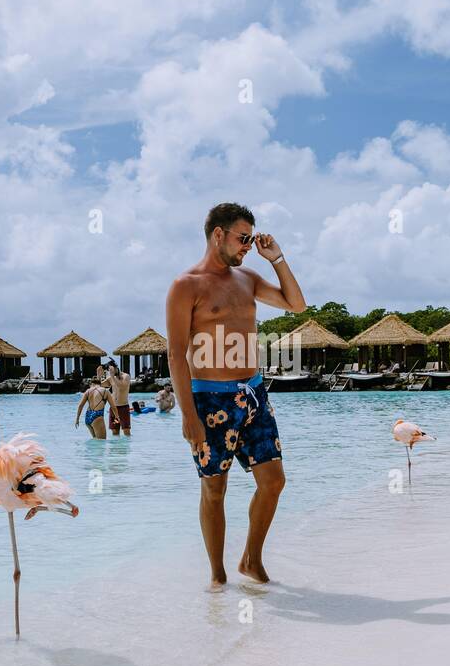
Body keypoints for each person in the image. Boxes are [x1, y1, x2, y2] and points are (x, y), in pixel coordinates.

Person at [165, 202, 306, 590]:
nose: (248, 245)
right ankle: (217, 575)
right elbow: (176, 353)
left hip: (254, 394)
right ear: (218, 235)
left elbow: (296, 304)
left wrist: (276, 258)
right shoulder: (185, 286)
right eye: (243, 238)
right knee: (214, 489)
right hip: (209, 401)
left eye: (251, 238)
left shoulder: (248, 279)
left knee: (273, 482)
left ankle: (251, 560)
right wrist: (187, 414)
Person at [104, 362, 132, 436]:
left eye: (111, 369)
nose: (110, 371)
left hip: (123, 407)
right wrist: (99, 376)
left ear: (116, 368)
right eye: (109, 370)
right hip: (113, 408)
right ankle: (116, 448)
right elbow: (99, 385)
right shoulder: (110, 378)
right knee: (115, 432)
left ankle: (126, 447)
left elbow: (122, 387)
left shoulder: (126, 376)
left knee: (126, 431)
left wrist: (113, 376)